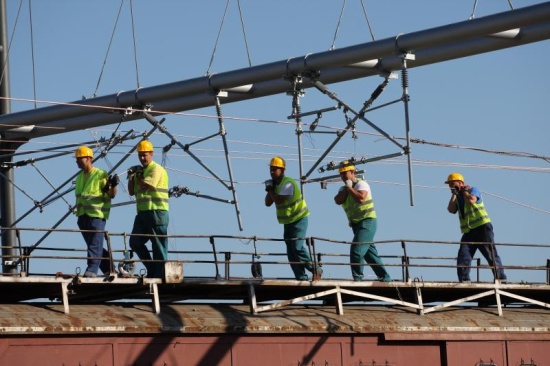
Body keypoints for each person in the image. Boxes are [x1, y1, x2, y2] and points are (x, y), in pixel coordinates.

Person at [264, 156, 321, 281]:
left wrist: (271, 190)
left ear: (282, 170)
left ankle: (315, 269)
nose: (272, 172)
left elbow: (278, 201)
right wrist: (270, 189)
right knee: (291, 252)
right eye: (271, 169)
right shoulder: (276, 185)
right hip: (288, 222)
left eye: (275, 169)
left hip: (299, 219)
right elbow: (267, 203)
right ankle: (301, 278)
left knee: (297, 246)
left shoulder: (288, 183)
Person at [334, 161, 391, 282]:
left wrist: (349, 188)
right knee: (370, 254)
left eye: (345, 173)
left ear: (352, 172)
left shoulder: (362, 184)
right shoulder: (343, 188)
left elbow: (361, 198)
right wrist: (347, 188)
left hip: (367, 222)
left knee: (357, 249)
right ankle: (385, 277)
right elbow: (338, 200)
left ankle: (358, 278)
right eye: (341, 174)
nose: (343, 176)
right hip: (356, 225)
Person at [445, 172, 507, 283]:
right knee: (464, 255)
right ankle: (464, 280)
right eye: (449, 184)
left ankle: (500, 278)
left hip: (483, 227)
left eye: (452, 183)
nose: (450, 186)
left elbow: (472, 200)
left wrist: (464, 191)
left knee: (490, 253)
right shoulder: (457, 198)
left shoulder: (473, 190)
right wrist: (454, 194)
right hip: (469, 231)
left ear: (460, 183)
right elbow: (450, 209)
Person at [74, 146, 118, 278]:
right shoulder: (80, 177)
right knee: (94, 245)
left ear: (88, 159)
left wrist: (112, 185)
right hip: (83, 217)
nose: (76, 161)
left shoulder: (100, 174)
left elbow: (111, 194)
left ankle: (91, 270)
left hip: (96, 216)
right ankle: (110, 269)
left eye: (79, 158)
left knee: (94, 245)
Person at [128, 140, 170, 278]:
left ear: (151, 154)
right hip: (142, 213)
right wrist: (130, 177)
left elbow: (147, 185)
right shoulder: (141, 171)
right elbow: (131, 191)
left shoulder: (155, 169)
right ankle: (153, 270)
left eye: (144, 155)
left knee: (158, 245)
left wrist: (138, 175)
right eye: (140, 155)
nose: (142, 158)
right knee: (135, 242)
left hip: (157, 211)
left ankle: (161, 273)